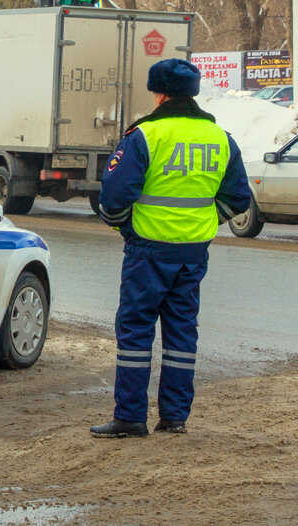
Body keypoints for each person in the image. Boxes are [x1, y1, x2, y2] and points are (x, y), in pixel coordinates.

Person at [90, 59, 250, 439]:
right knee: (181, 333)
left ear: (159, 94)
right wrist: (209, 224)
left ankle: (130, 417)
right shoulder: (220, 138)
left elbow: (113, 199)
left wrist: (125, 228)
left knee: (135, 331)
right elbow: (238, 198)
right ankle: (175, 417)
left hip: (147, 250)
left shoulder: (145, 136)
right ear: (192, 93)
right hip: (193, 253)